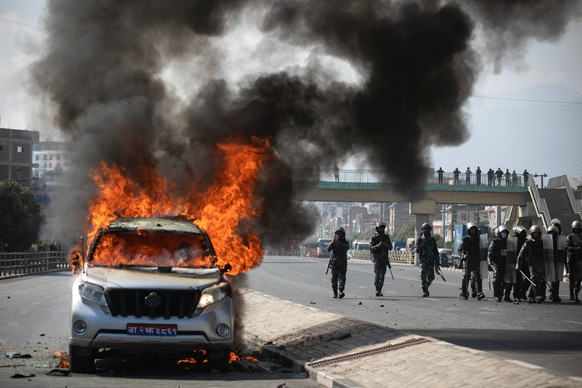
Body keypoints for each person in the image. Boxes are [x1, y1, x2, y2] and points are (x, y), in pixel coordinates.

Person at [517, 225, 545, 304]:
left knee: (538, 280)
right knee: (534, 278)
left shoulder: (542, 242)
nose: (536, 234)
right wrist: (518, 264)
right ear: (532, 234)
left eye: (538, 233)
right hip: (531, 263)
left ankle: (530, 296)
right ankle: (537, 296)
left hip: (540, 263)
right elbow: (521, 254)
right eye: (534, 233)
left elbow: (547, 253)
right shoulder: (528, 243)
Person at [459, 222, 485, 300]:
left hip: (476, 259)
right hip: (468, 260)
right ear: (468, 230)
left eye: (474, 229)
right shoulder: (465, 239)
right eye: (471, 229)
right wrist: (463, 256)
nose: (473, 231)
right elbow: (459, 250)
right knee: (466, 277)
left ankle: (479, 292)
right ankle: (464, 293)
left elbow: (483, 249)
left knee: (478, 277)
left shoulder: (480, 239)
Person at [488, 225, 512, 302]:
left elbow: (514, 252)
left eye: (505, 232)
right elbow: (490, 252)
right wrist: (490, 260)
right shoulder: (495, 242)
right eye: (503, 232)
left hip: (508, 264)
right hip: (498, 264)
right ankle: (496, 295)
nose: (504, 234)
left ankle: (507, 296)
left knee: (508, 281)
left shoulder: (510, 242)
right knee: (497, 280)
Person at [415, 223, 439, 297]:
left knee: (431, 277)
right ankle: (424, 290)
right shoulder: (420, 239)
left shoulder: (432, 239)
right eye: (425, 229)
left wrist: (437, 261)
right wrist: (417, 248)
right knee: (423, 275)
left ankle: (426, 286)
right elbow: (415, 250)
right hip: (423, 261)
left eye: (428, 229)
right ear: (422, 230)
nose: (426, 231)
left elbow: (435, 251)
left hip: (431, 261)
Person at [370, 221, 393, 297]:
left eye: (383, 228)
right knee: (377, 275)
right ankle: (377, 288)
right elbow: (371, 248)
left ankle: (380, 289)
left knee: (382, 275)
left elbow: (390, 247)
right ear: (377, 228)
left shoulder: (386, 237)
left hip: (384, 259)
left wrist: (385, 245)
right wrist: (378, 246)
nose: (381, 229)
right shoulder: (374, 238)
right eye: (380, 228)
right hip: (377, 259)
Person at [327, 227, 350, 299]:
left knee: (342, 278)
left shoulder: (345, 242)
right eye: (337, 234)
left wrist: (339, 244)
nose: (339, 235)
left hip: (342, 262)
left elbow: (346, 248)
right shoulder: (333, 241)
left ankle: (341, 291)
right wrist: (332, 244)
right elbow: (328, 249)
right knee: (334, 279)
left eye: (340, 234)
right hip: (335, 263)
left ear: (343, 235)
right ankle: (335, 293)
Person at [547, 225, 566, 303]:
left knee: (556, 280)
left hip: (557, 262)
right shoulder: (546, 241)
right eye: (550, 233)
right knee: (550, 279)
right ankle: (550, 294)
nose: (552, 234)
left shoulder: (560, 242)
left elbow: (563, 251)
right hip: (548, 262)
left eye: (553, 233)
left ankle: (555, 295)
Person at [566, 220, 582, 303]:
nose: (577, 230)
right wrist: (575, 249)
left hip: (580, 259)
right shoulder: (570, 237)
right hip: (572, 259)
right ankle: (571, 293)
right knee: (572, 277)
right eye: (575, 229)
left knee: (579, 278)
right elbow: (567, 246)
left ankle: (576, 294)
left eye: (578, 229)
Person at [513, 225, 528, 303]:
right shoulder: (513, 241)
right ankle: (516, 295)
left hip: (525, 262)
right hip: (516, 262)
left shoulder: (527, 241)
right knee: (517, 280)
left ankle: (523, 292)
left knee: (528, 278)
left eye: (523, 232)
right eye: (521, 232)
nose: (522, 234)